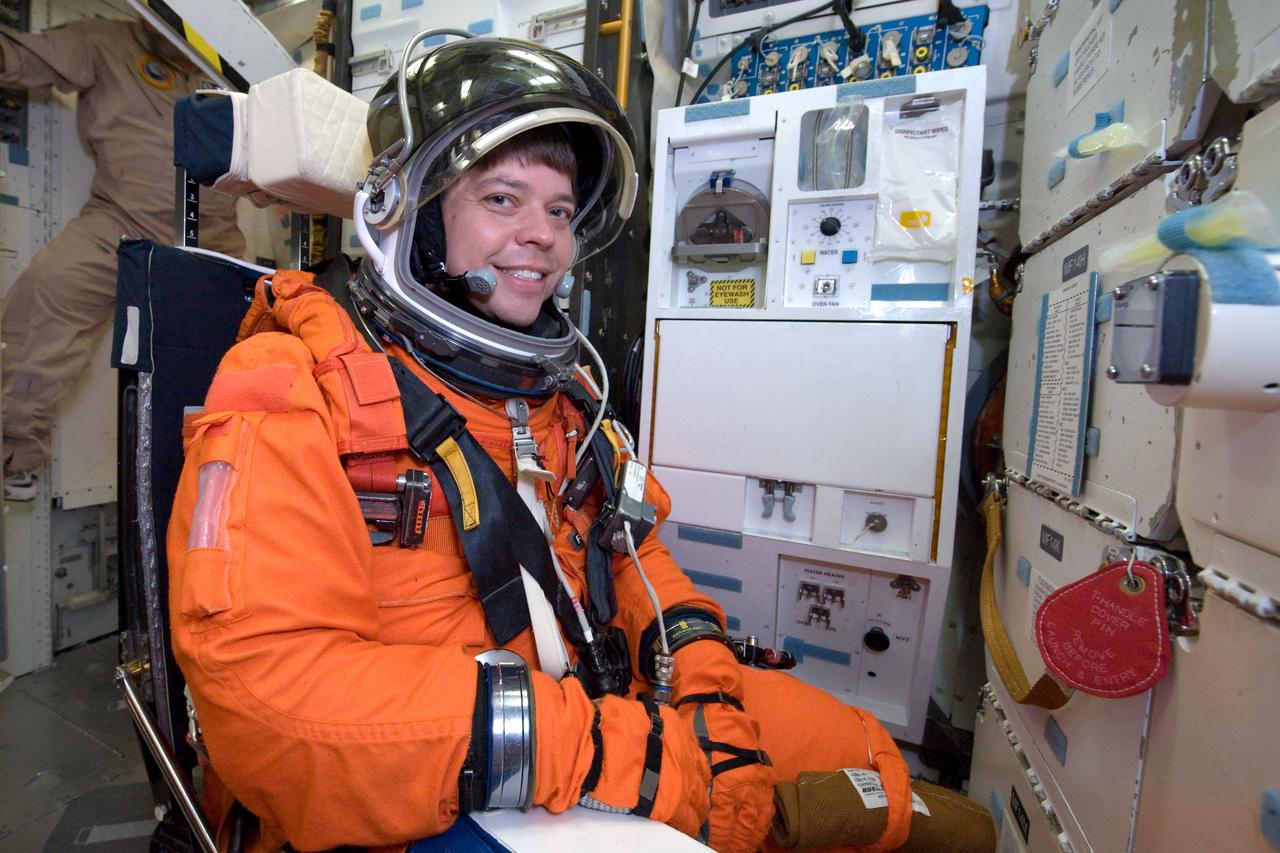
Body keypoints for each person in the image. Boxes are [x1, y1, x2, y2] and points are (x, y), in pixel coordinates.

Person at [167, 37, 912, 853]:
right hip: (430, 780)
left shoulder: (564, 397)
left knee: (875, 773)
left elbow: (632, 554)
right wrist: (614, 753)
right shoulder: (291, 385)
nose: (543, 237)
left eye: (559, 211)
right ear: (405, 212)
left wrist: (703, 687)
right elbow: (270, 703)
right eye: (502, 200)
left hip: (596, 705)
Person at [0, 15, 245, 498]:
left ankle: (236, 468)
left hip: (211, 241)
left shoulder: (233, 61)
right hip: (121, 223)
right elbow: (20, 59)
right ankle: (13, 452)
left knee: (241, 355)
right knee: (49, 288)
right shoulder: (104, 40)